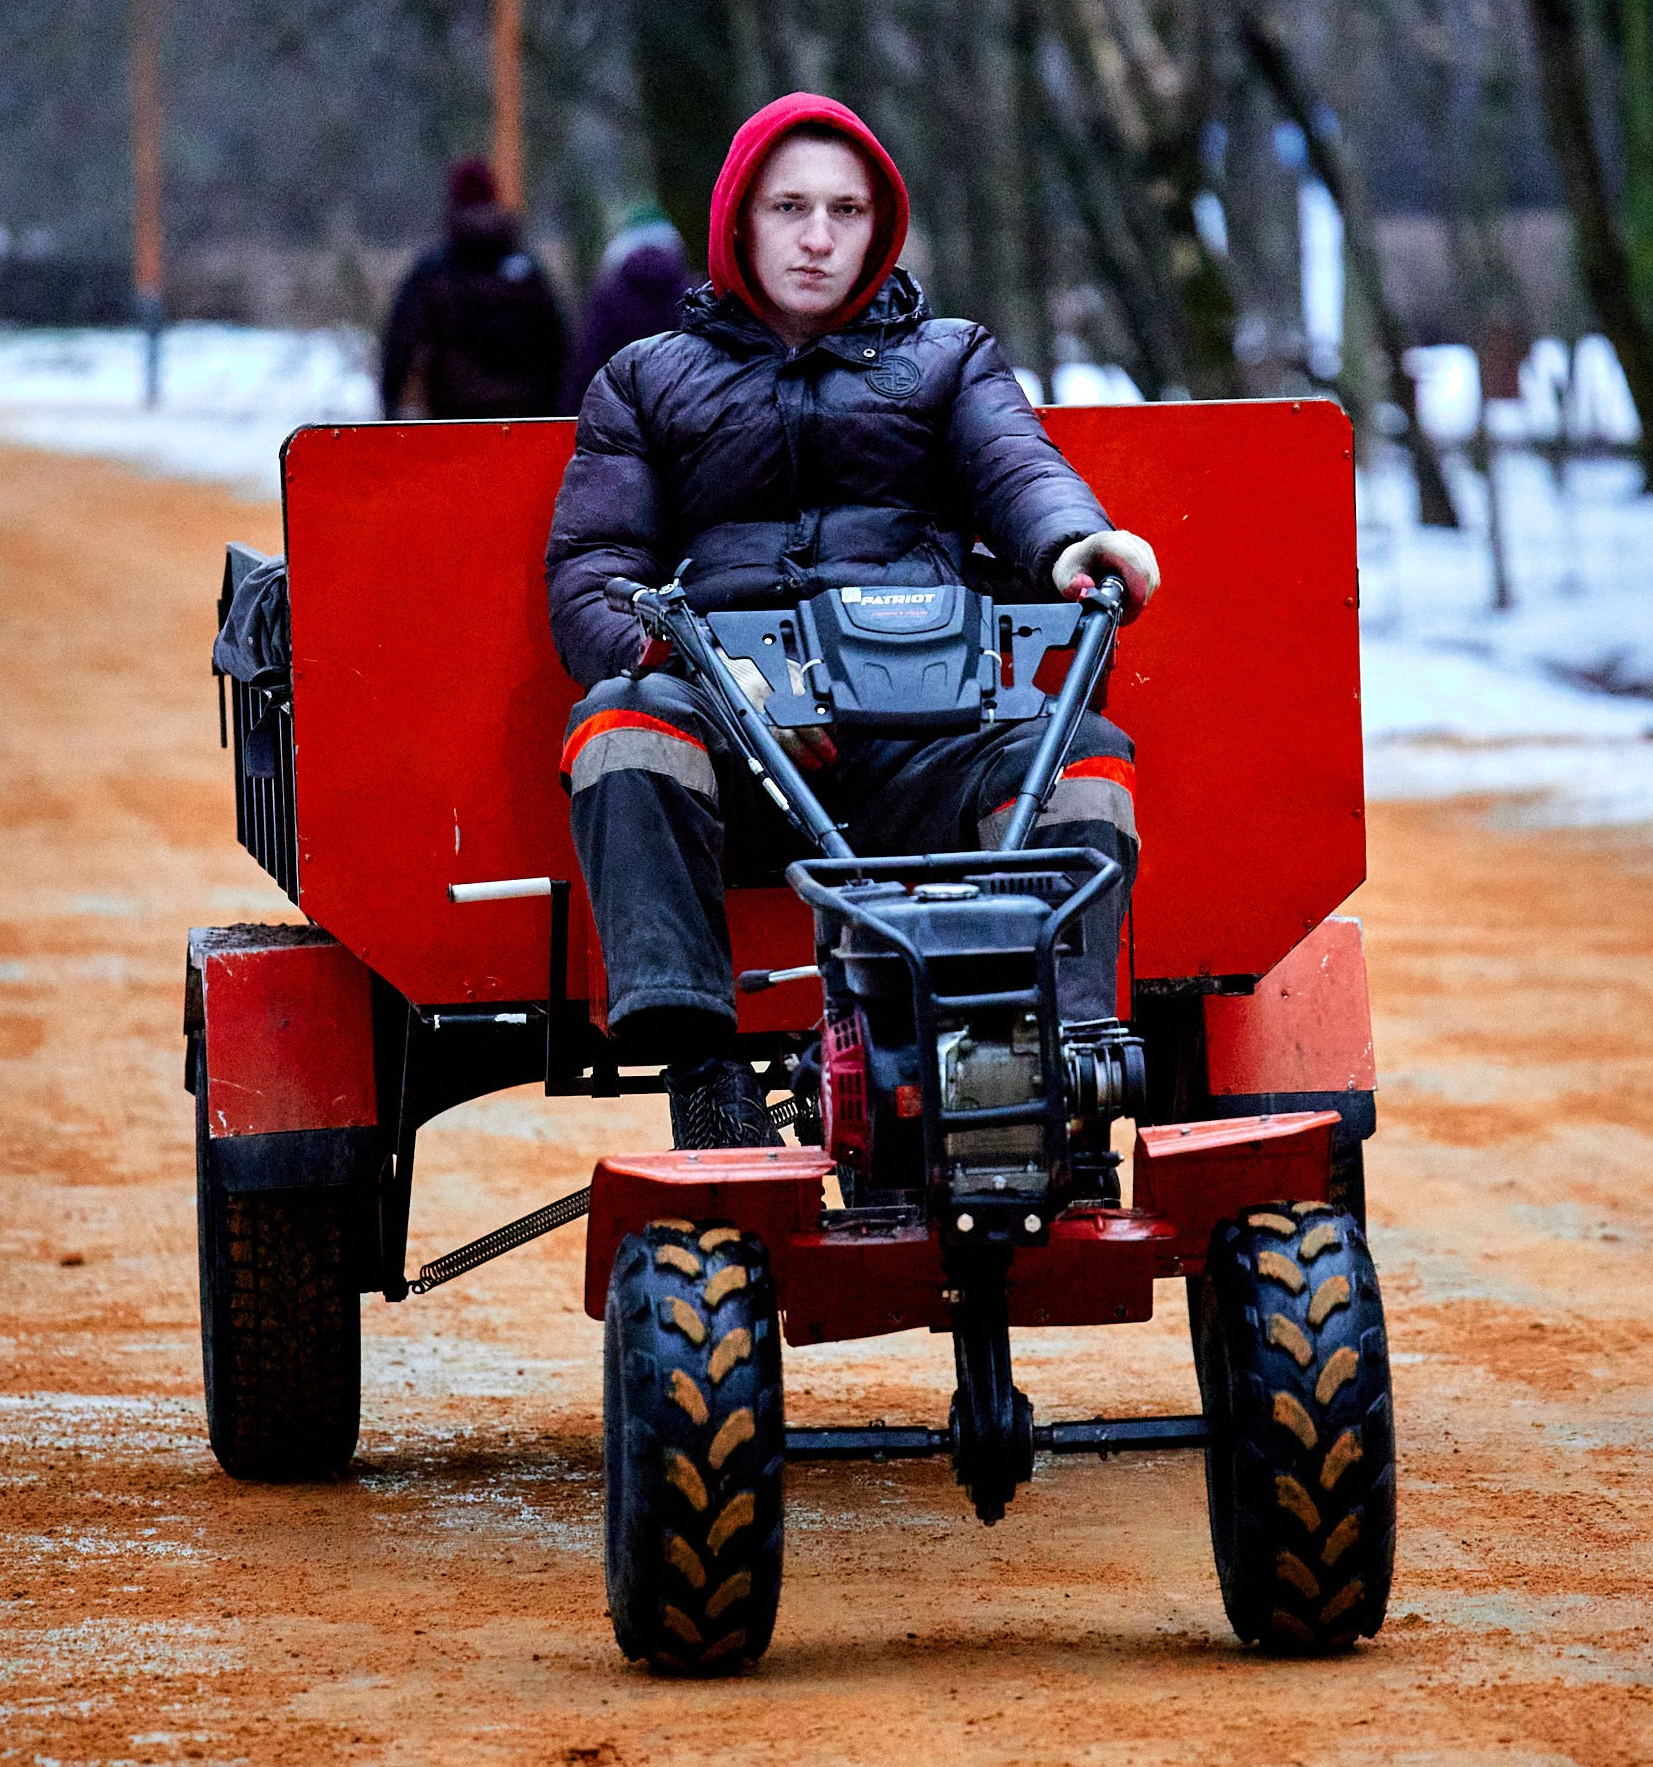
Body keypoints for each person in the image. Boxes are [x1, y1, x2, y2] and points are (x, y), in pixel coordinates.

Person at [544, 92, 1160, 1149]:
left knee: (1084, 758)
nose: (818, 237)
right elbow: (593, 567)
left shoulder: (950, 358)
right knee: (620, 725)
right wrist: (689, 675)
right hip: (744, 757)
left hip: (926, 748)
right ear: (737, 220)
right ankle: (706, 1081)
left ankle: (1059, 1057)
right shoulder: (642, 381)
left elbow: (1017, 467)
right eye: (788, 207)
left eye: (846, 209)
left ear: (881, 226)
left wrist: (1074, 544)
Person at [380, 158, 567, 419]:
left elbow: (400, 344)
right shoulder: (527, 269)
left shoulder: (434, 270)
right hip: (526, 420)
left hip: (454, 423)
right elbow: (558, 344)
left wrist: (390, 409)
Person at [561, 203, 692, 412]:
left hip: (618, 418)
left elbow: (589, 362)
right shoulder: (692, 292)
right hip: (681, 417)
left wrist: (570, 413)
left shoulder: (608, 295)